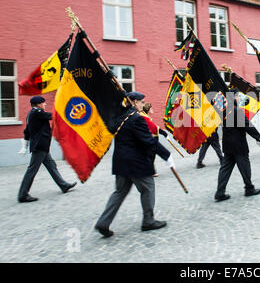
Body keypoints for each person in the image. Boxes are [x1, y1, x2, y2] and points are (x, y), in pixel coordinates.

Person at [95, 91, 173, 237]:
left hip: (120, 161)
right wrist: (166, 155)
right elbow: (148, 141)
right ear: (135, 102)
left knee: (119, 192)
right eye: (142, 102)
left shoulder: (120, 117)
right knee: (148, 188)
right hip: (136, 162)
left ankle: (103, 222)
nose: (143, 105)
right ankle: (148, 221)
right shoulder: (136, 118)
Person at [17, 96, 77, 203]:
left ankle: (63, 186)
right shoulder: (37, 112)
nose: (45, 104)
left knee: (51, 165)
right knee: (32, 170)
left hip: (41, 146)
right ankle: (23, 195)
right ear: (38, 104)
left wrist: (25, 145)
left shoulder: (31, 114)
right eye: (43, 103)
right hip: (40, 146)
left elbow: (27, 131)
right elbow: (52, 116)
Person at [214, 89, 260, 202]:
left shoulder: (224, 110)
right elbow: (247, 125)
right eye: (238, 96)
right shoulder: (237, 111)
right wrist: (257, 136)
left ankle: (220, 192)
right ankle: (249, 188)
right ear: (234, 97)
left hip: (227, 144)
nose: (240, 98)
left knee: (225, 169)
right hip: (238, 145)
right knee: (244, 166)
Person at [141, 102, 168, 177]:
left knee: (152, 156)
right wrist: (162, 132)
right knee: (151, 155)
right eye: (151, 108)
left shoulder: (148, 118)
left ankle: (150, 171)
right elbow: (153, 128)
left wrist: (162, 132)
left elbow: (153, 126)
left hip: (153, 138)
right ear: (148, 110)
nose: (152, 109)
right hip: (151, 138)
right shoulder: (145, 118)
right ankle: (151, 172)